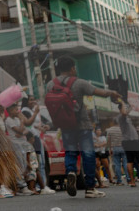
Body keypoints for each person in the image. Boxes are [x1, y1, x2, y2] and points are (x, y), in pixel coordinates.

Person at [45, 56, 121, 198]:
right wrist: (112, 93)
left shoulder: (50, 84)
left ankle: (71, 172)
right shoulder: (79, 83)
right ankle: (90, 188)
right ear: (72, 68)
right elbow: (99, 92)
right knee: (88, 154)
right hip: (82, 125)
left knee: (70, 152)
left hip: (65, 125)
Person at [117, 101, 139, 187]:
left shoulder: (125, 117)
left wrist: (129, 104)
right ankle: (132, 181)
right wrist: (122, 103)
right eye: (124, 107)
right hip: (131, 141)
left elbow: (128, 110)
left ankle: (132, 181)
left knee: (130, 161)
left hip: (130, 141)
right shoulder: (121, 116)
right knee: (138, 160)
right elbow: (124, 112)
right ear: (120, 109)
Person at [106, 117, 126, 184]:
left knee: (117, 165)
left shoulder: (110, 130)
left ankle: (119, 180)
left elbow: (108, 141)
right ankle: (129, 179)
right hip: (123, 147)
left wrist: (109, 149)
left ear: (113, 122)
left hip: (114, 148)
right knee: (125, 164)